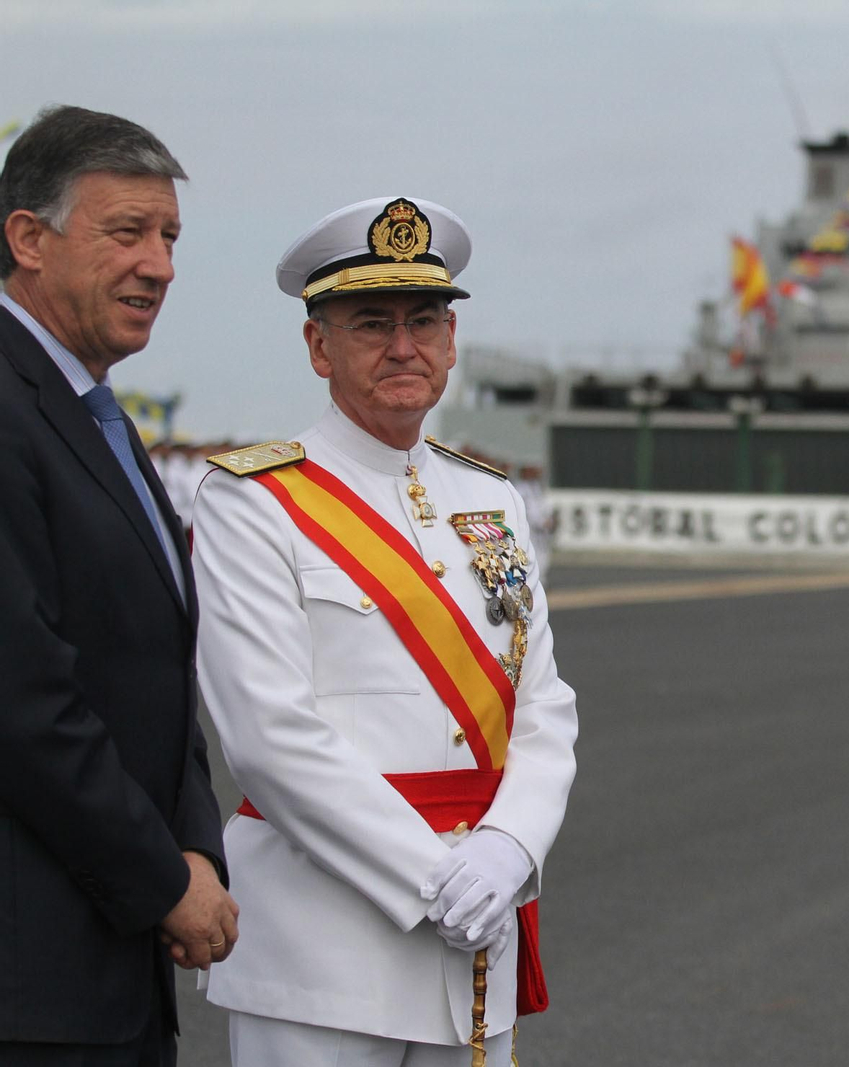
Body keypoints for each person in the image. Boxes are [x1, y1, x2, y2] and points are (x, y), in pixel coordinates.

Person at [191, 196, 579, 1066]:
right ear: (319, 346)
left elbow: (543, 705)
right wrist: (436, 876)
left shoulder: (490, 498)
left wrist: (510, 848)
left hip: (479, 939)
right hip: (324, 959)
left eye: (425, 321)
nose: (404, 347)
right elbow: (268, 733)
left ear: (450, 342)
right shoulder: (255, 501)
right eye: (372, 323)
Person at [0, 105, 235, 1066]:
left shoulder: (91, 411)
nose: (161, 266)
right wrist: (161, 877)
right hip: (30, 988)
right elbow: (23, 697)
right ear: (27, 238)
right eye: (126, 232)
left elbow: (153, 666)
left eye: (170, 237)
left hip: (100, 971)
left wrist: (197, 853)